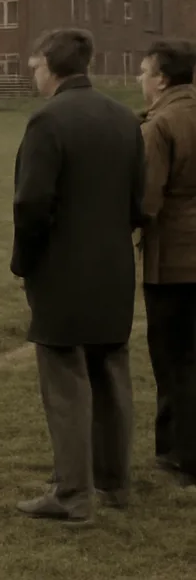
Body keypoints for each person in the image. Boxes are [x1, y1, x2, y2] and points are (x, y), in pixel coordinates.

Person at [11, 27, 146, 522]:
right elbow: (137, 201)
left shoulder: (48, 121)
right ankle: (113, 483)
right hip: (113, 266)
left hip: (63, 270)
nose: (32, 70)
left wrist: (26, 261)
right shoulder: (124, 118)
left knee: (65, 380)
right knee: (111, 374)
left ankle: (72, 494)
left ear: (50, 63)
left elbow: (31, 203)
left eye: (34, 62)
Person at [136, 38, 196, 489]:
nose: (139, 78)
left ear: (161, 78)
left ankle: (180, 454)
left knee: (174, 359)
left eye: (143, 70)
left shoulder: (160, 125)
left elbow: (147, 200)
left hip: (175, 259)